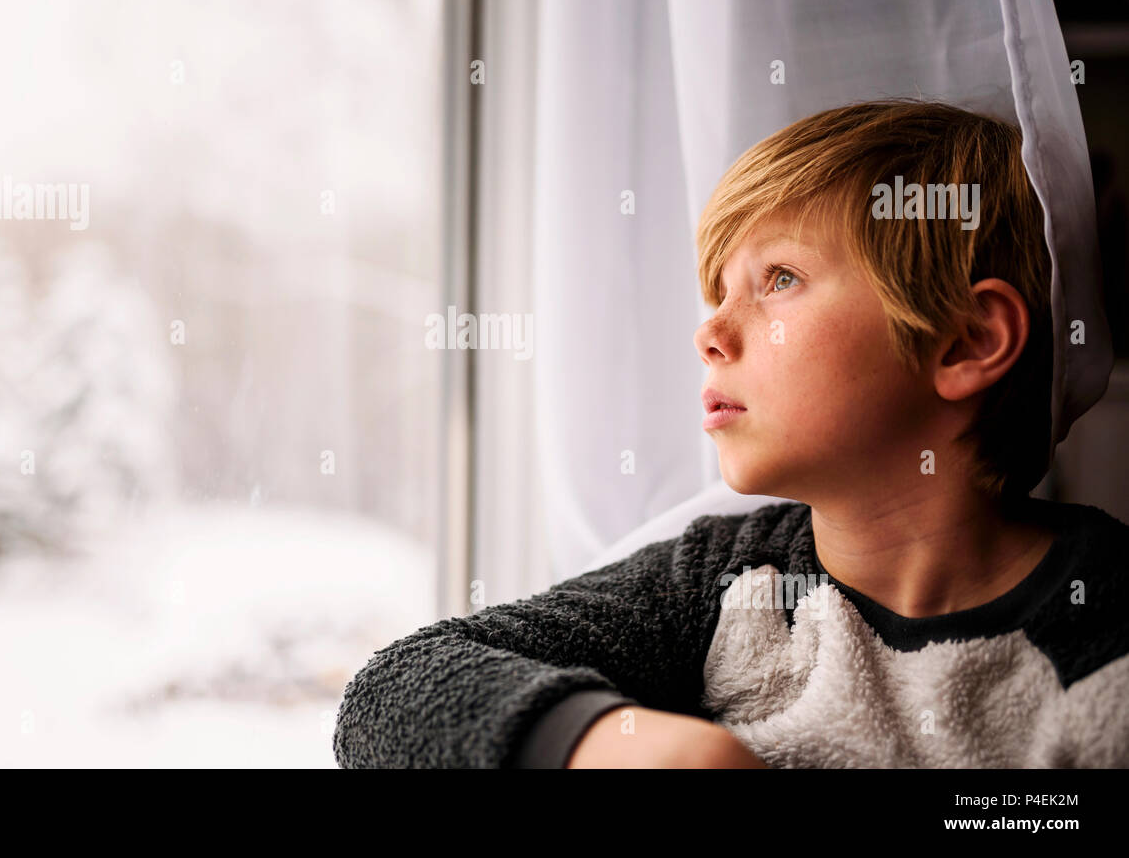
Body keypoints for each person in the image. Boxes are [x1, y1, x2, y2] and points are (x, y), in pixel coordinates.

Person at [333, 100, 1129, 768]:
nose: (709, 331)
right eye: (715, 291)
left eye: (779, 279)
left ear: (966, 342)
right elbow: (392, 691)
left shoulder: (1108, 621)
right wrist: (626, 744)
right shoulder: (715, 582)